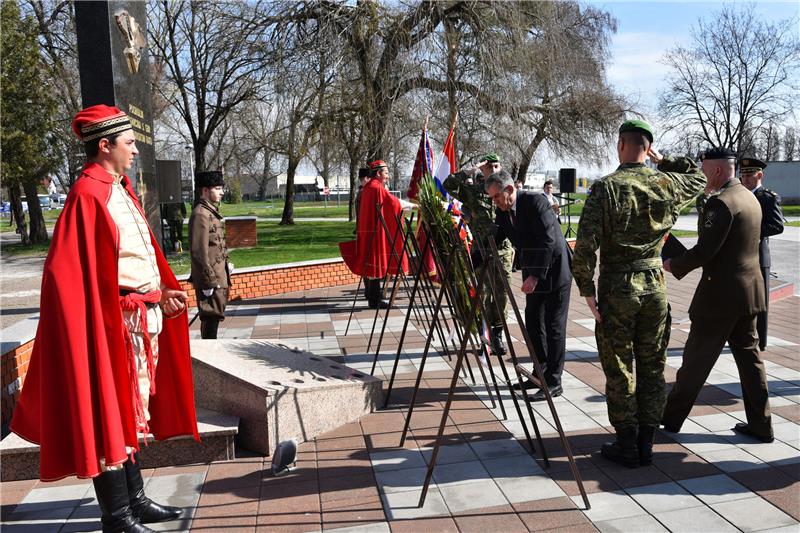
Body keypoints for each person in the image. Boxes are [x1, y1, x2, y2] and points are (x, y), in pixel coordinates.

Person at [10, 105, 198, 532]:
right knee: (109, 413)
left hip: (138, 321)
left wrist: (161, 292)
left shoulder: (119, 188)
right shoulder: (87, 194)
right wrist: (101, 320)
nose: (134, 150)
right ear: (105, 145)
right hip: (112, 326)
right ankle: (117, 515)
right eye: (129, 143)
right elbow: (67, 275)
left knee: (131, 414)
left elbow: (135, 258)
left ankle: (135, 500)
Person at [571, 119, 706, 468]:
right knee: (652, 363)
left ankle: (627, 441)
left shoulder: (605, 188)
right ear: (647, 148)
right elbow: (699, 176)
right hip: (654, 285)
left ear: (620, 144)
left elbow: (585, 245)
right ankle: (647, 440)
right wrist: (664, 162)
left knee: (619, 366)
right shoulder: (667, 183)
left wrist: (586, 288)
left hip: (617, 287)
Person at [662, 147, 773, 443]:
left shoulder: (721, 203)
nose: (701, 175)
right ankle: (762, 424)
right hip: (748, 294)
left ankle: (668, 420)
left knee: (695, 361)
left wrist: (673, 264)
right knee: (751, 362)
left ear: (718, 171)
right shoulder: (750, 197)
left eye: (704, 169)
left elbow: (705, 250)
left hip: (720, 298)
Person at [485, 170, 572, 401]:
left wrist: (533, 276)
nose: (494, 202)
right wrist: (473, 259)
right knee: (533, 322)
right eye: (492, 198)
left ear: (510, 190)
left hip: (554, 271)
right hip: (534, 273)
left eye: (496, 197)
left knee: (553, 326)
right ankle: (539, 373)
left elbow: (548, 241)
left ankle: (554, 381)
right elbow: (494, 237)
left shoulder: (535, 202)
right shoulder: (503, 211)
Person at [444, 152, 513, 355]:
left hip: (502, 250)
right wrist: (470, 169)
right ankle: (485, 333)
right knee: (483, 293)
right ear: (483, 168)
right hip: (481, 250)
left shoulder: (506, 185)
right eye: (490, 166)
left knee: (501, 294)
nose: (495, 170)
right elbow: (448, 185)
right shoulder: (473, 191)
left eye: (497, 166)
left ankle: (498, 334)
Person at [340, 160, 410, 309]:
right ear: (378, 173)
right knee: (374, 267)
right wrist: (409, 205)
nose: (388, 176)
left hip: (369, 231)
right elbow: (392, 203)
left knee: (372, 268)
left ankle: (373, 298)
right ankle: (375, 300)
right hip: (374, 233)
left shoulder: (369, 187)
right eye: (386, 173)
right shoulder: (376, 188)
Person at [739, 157, 784, 351]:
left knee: (761, 302)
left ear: (760, 175)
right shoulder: (738, 195)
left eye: (750, 175)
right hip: (740, 255)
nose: (746, 179)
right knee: (741, 298)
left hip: (759, 254)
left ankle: (761, 340)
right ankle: (742, 337)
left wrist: (752, 231)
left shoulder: (768, 197)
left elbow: (777, 225)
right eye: (743, 175)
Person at [189, 170, 231, 340]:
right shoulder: (201, 214)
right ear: (205, 191)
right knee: (210, 317)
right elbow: (198, 251)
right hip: (211, 279)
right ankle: (209, 354)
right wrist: (208, 281)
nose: (221, 192)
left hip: (218, 275)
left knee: (215, 316)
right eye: (217, 188)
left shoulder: (210, 212)